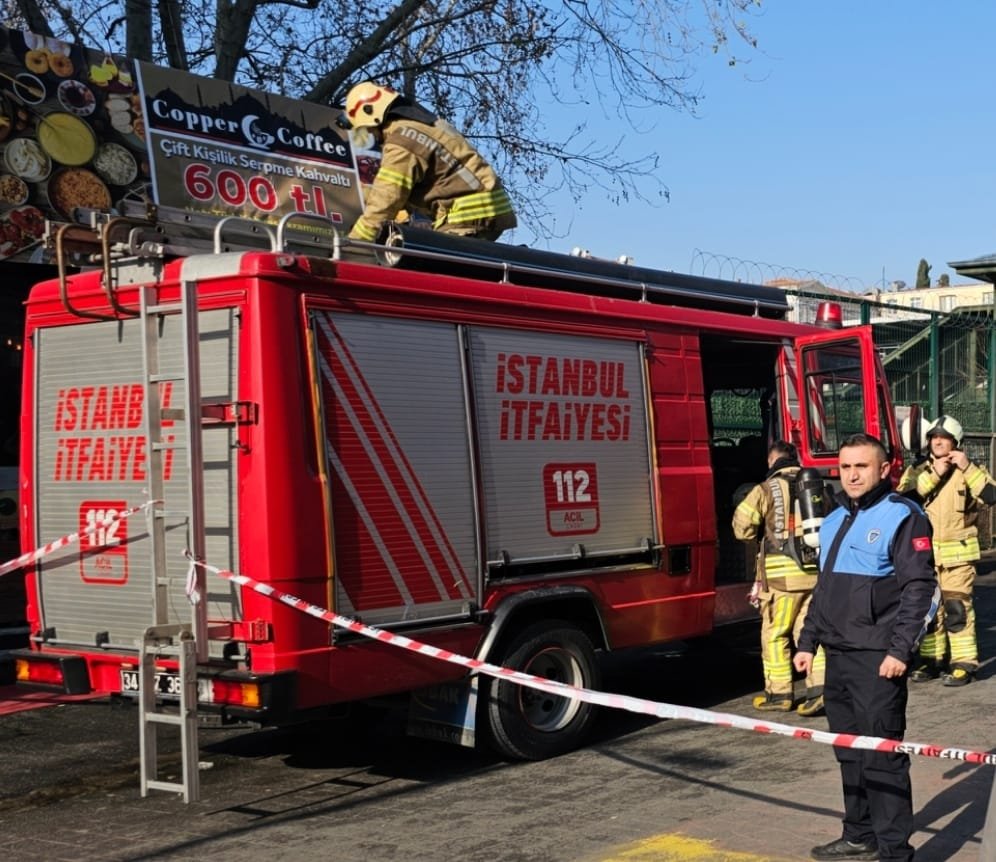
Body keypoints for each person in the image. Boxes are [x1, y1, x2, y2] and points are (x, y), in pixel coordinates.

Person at [795, 433, 938, 862]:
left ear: (883, 469)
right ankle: (859, 834)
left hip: (878, 661)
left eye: (862, 466)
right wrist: (807, 642)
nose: (852, 475)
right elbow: (825, 590)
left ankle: (895, 850)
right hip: (838, 658)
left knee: (883, 758)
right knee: (850, 754)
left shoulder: (904, 515)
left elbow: (919, 590)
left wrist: (900, 651)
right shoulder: (836, 517)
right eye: (845, 467)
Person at [342, 82, 517, 243]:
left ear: (373, 115)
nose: (371, 136)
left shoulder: (402, 141)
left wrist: (355, 242)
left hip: (466, 216)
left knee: (427, 267)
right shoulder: (421, 125)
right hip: (488, 211)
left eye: (367, 130)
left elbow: (387, 197)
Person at [897, 414, 996, 686]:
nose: (938, 441)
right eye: (934, 437)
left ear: (955, 441)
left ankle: (964, 663)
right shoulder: (916, 470)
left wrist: (967, 467)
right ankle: (932, 660)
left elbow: (991, 496)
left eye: (945, 438)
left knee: (957, 608)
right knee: (927, 612)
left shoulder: (970, 470)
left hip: (958, 558)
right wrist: (934, 474)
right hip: (924, 557)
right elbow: (904, 501)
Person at [733, 440, 827, 715]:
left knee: (775, 634)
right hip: (815, 575)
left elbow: (742, 529)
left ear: (771, 461)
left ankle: (779, 694)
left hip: (780, 580)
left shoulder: (765, 489)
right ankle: (819, 689)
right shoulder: (815, 485)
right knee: (809, 632)